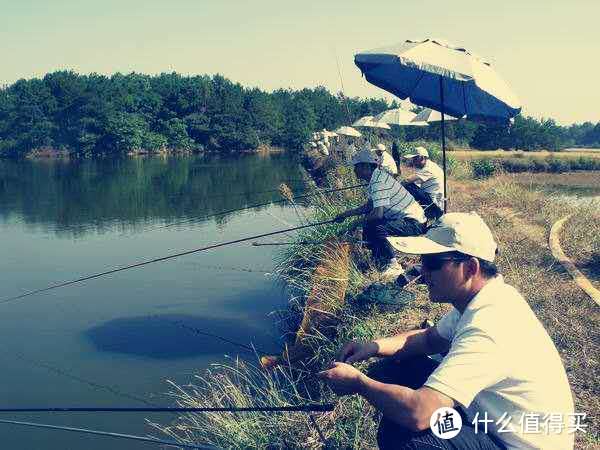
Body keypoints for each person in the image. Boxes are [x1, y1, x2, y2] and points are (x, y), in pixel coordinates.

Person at [319, 212, 575, 450]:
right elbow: (429, 339)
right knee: (392, 368)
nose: (422, 273)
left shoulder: (489, 328)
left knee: (407, 436)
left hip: (514, 443)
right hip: (491, 419)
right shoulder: (484, 298)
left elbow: (419, 413)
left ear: (471, 268)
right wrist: (373, 347)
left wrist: (358, 383)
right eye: (422, 262)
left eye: (433, 263)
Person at [334, 148, 426, 280]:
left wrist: (355, 223)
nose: (354, 171)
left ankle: (393, 264)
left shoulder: (378, 181)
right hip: (408, 219)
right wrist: (346, 214)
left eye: (356, 167)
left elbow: (377, 214)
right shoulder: (376, 178)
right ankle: (379, 259)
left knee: (377, 226)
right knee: (369, 225)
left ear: (366, 166)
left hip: (414, 223)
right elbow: (370, 206)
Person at [402, 146, 444, 219]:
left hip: (432, 201)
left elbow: (407, 180)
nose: (413, 161)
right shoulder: (428, 165)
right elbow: (417, 182)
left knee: (408, 186)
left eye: (415, 159)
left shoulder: (428, 168)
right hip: (432, 196)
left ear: (422, 158)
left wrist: (396, 187)